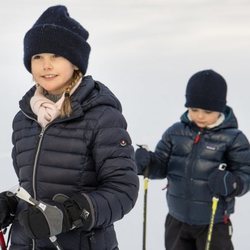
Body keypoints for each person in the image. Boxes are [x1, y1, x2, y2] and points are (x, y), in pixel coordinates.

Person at [0, 5, 139, 250]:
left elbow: (123, 190)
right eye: (38, 57)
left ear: (75, 62)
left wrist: (71, 213)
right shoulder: (24, 119)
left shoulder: (101, 116)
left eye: (56, 56)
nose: (46, 65)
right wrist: (11, 204)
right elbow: (32, 184)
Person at [135, 69, 250, 250]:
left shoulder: (233, 138)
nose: (200, 115)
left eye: (207, 110)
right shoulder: (175, 132)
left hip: (213, 221)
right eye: (194, 109)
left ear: (220, 108)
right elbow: (161, 165)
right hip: (177, 219)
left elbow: (245, 175)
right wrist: (147, 163)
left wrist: (232, 183)